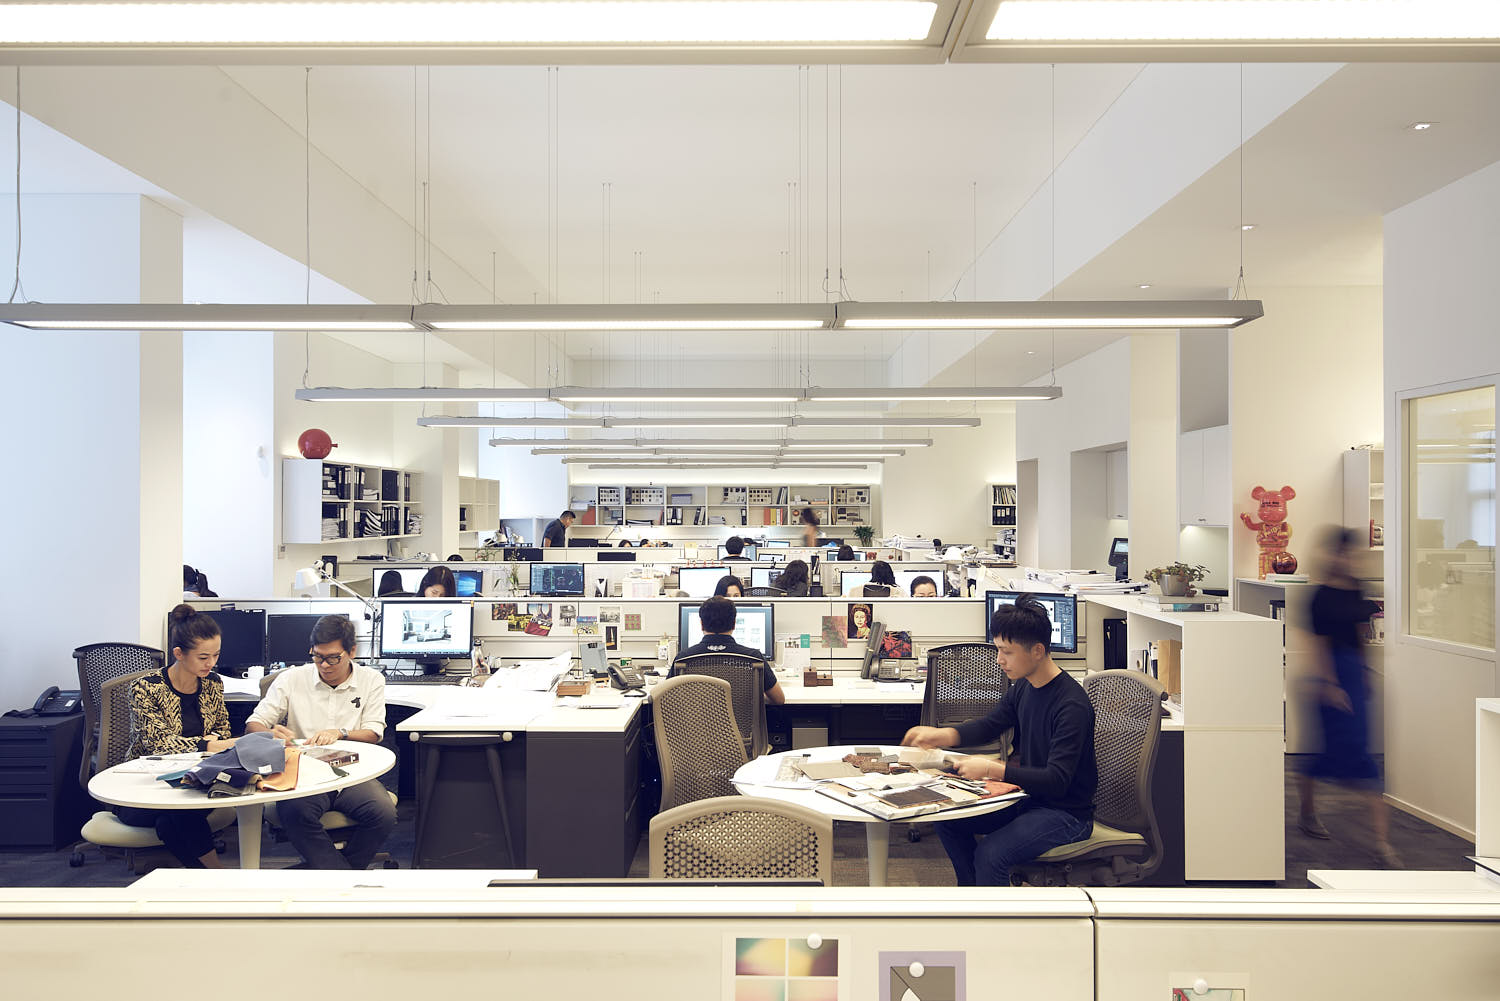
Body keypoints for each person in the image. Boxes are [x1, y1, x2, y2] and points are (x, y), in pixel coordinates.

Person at [903, 597, 1097, 886]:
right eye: (998, 650)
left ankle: (993, 912)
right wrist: (941, 735)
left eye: (1007, 652)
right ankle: (974, 897)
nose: (998, 660)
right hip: (1029, 799)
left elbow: (1057, 781)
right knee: (947, 817)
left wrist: (991, 769)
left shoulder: (1071, 705)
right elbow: (991, 725)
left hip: (1067, 814)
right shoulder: (1025, 687)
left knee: (991, 855)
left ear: (1037, 651)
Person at [246, 614, 396, 870]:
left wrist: (341, 733)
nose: (324, 665)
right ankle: (343, 878)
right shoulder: (292, 678)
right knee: (295, 813)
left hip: (351, 772)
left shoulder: (371, 680)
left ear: (352, 652)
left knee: (383, 813)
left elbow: (373, 732)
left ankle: (330, 874)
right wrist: (269, 733)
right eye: (318, 656)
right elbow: (254, 723)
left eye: (333, 658)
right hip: (303, 773)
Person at [1297, 527, 1396, 865]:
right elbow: (1317, 643)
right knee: (1326, 751)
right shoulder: (1320, 596)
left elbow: (1360, 633)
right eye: (1340, 552)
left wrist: (1365, 671)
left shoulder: (1357, 588)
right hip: (1329, 674)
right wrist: (1329, 683)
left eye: (1350, 553)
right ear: (1330, 555)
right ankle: (1307, 812)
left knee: (1359, 751)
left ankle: (1381, 842)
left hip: (1353, 673)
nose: (1346, 559)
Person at [122, 604, 242, 868]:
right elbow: (157, 744)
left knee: (173, 818)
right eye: (203, 657)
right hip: (143, 788)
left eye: (216, 655)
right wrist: (207, 743)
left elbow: (223, 729)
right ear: (179, 653)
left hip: (195, 781)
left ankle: (209, 880)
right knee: (178, 814)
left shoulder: (212, 683)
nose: (211, 663)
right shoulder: (146, 688)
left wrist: (212, 741)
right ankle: (217, 875)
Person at [674, 596, 784, 705]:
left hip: (696, 717)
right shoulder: (753, 658)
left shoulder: (683, 658)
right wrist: (753, 698)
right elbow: (779, 699)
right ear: (734, 624)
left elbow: (667, 698)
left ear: (701, 624)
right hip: (742, 717)